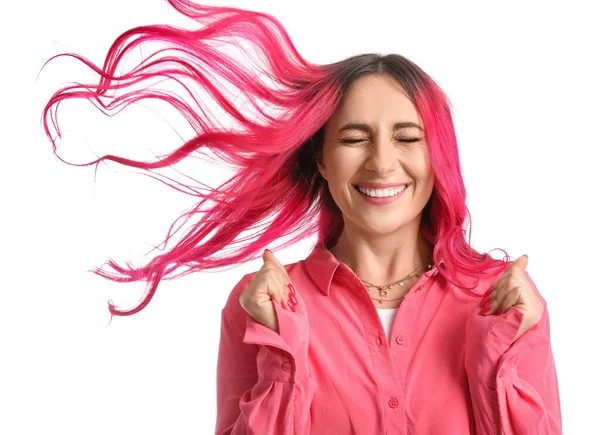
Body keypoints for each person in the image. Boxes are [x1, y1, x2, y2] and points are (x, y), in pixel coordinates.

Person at [41, 1, 562, 434]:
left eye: (407, 138)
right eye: (354, 139)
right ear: (322, 159)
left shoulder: (504, 302)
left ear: (439, 156)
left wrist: (497, 362)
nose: (382, 162)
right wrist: (281, 363)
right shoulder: (263, 306)